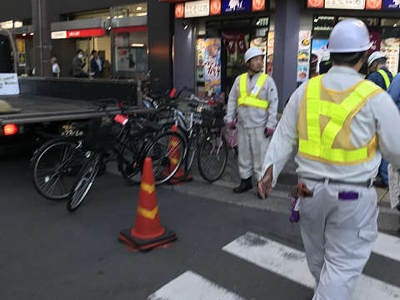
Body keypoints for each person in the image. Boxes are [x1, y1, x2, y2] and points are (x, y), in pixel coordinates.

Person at [258, 19, 400, 300]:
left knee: (319, 259)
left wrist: (268, 173)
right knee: (342, 266)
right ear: (363, 58)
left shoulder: (306, 90)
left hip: (307, 192)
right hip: (352, 196)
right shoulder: (375, 97)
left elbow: (284, 135)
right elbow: (396, 150)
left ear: (331, 55)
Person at [224, 48, 278, 195]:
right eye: (255, 59)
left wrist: (271, 124)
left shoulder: (268, 81)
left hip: (260, 126)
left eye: (261, 59)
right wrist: (229, 118)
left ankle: (262, 184)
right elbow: (232, 100)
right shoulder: (239, 80)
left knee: (261, 157)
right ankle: (245, 181)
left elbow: (274, 103)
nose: (259, 62)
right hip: (242, 125)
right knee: (244, 156)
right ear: (248, 62)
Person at [367, 51, 394, 187]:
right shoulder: (391, 75)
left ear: (375, 64)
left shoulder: (374, 76)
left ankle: (381, 176)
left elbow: (366, 97)